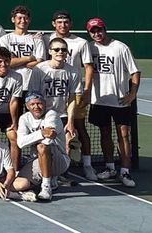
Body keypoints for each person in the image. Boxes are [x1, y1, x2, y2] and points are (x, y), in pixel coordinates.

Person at [85, 17, 140, 187]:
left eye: (99, 30)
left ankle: (125, 171)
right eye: (93, 31)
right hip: (99, 101)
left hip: (120, 101)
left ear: (105, 29)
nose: (97, 34)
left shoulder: (120, 47)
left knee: (123, 135)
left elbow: (135, 72)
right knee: (104, 134)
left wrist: (132, 94)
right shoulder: (89, 48)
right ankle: (110, 168)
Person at [42, 11, 96, 180]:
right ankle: (51, 167)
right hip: (51, 91)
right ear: (53, 24)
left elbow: (88, 67)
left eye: (66, 22)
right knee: (47, 129)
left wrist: (86, 91)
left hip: (74, 92)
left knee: (78, 128)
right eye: (59, 22)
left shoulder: (81, 42)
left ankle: (87, 165)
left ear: (70, 23)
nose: (62, 25)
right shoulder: (46, 39)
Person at [15, 93, 69, 200]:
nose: (36, 107)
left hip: (60, 160)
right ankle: (49, 179)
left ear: (45, 104)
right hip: (37, 160)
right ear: (27, 106)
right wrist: (41, 133)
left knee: (42, 146)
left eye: (39, 103)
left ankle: (46, 187)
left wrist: (35, 137)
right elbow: (20, 143)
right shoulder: (24, 118)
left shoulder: (52, 115)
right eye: (32, 104)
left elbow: (48, 139)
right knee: (19, 185)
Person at [0, 5, 45, 89]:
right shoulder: (5, 39)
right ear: (13, 19)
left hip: (33, 84)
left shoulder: (37, 39)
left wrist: (17, 60)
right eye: (19, 18)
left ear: (29, 20)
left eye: (25, 18)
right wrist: (30, 58)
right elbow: (8, 63)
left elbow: (40, 64)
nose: (23, 21)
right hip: (11, 84)